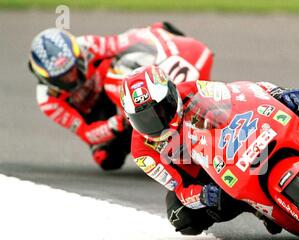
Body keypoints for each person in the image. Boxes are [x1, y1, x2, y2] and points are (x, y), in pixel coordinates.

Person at [120, 66, 299, 235]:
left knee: (288, 106)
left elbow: (242, 93)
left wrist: (278, 93)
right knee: (182, 220)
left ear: (171, 94)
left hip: (230, 142)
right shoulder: (142, 150)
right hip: (204, 176)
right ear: (131, 120)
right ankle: (256, 208)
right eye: (145, 119)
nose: (158, 121)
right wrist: (201, 195)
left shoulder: (190, 90)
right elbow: (178, 186)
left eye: (161, 109)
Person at [28, 22, 210, 170]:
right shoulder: (48, 100)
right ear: (46, 78)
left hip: (116, 86)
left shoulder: (88, 46)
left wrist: (157, 33)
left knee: (118, 71)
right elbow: (87, 133)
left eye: (73, 68)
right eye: (62, 77)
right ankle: (152, 137)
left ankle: (163, 111)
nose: (72, 77)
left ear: (78, 55)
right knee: (106, 158)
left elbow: (128, 40)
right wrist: (119, 122)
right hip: (98, 114)